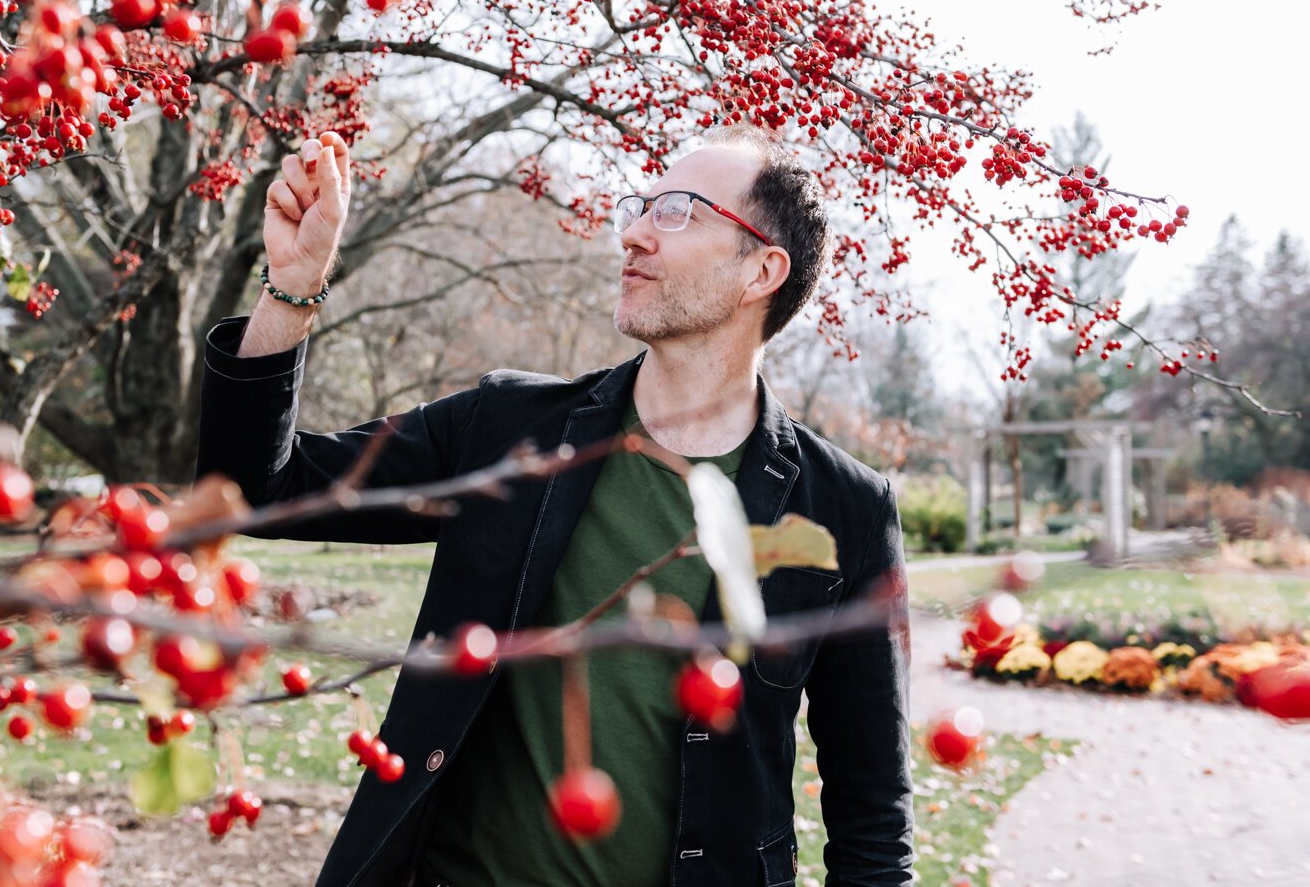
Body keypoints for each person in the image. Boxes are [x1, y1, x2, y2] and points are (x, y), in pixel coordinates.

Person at [195, 126, 914, 886]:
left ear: (762, 270)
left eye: (678, 212)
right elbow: (257, 493)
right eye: (642, 206)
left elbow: (873, 815)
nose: (634, 233)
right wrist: (292, 285)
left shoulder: (844, 510)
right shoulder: (509, 428)